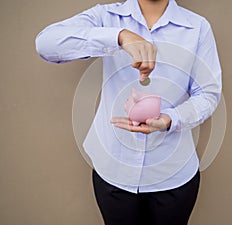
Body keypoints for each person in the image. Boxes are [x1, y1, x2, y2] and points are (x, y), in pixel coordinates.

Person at [35, 0, 222, 224]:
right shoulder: (107, 16)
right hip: (114, 172)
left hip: (173, 175)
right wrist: (119, 37)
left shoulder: (197, 27)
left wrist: (170, 119)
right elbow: (46, 45)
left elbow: (208, 94)